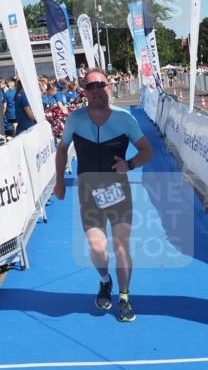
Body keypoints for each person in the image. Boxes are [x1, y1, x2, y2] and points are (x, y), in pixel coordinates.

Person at [53, 69, 154, 323]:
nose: (97, 90)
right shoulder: (75, 119)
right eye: (91, 86)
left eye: (101, 85)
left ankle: (124, 299)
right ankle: (104, 280)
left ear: (108, 87)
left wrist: (129, 165)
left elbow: (146, 151)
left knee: (121, 247)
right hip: (89, 192)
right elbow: (62, 149)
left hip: (118, 191)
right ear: (84, 92)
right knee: (98, 247)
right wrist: (59, 183)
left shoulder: (124, 119)